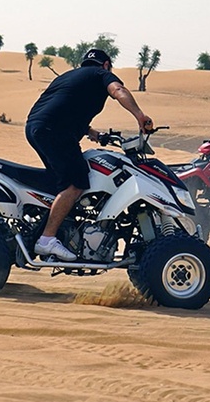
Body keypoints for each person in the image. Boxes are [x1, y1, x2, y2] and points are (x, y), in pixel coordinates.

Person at [26, 48, 153, 261]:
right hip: (55, 131)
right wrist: (140, 116)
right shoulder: (100, 74)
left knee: (61, 181)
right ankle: (46, 239)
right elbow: (118, 90)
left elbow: (64, 107)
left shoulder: (69, 76)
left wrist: (93, 132)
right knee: (76, 184)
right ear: (105, 65)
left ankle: (53, 229)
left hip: (36, 127)